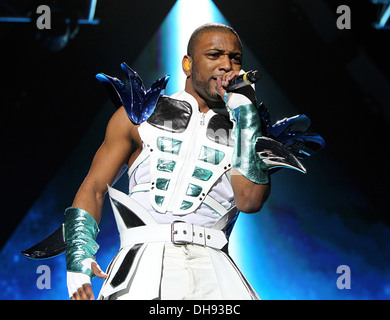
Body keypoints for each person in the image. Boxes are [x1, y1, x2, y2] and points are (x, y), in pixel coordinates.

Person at [65, 23, 272, 300]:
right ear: (188, 64)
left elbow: (249, 201)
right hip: (143, 263)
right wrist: (78, 259)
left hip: (214, 270)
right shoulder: (139, 117)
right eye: (214, 55)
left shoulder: (246, 134)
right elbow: (94, 187)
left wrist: (246, 116)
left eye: (235, 58)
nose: (227, 65)